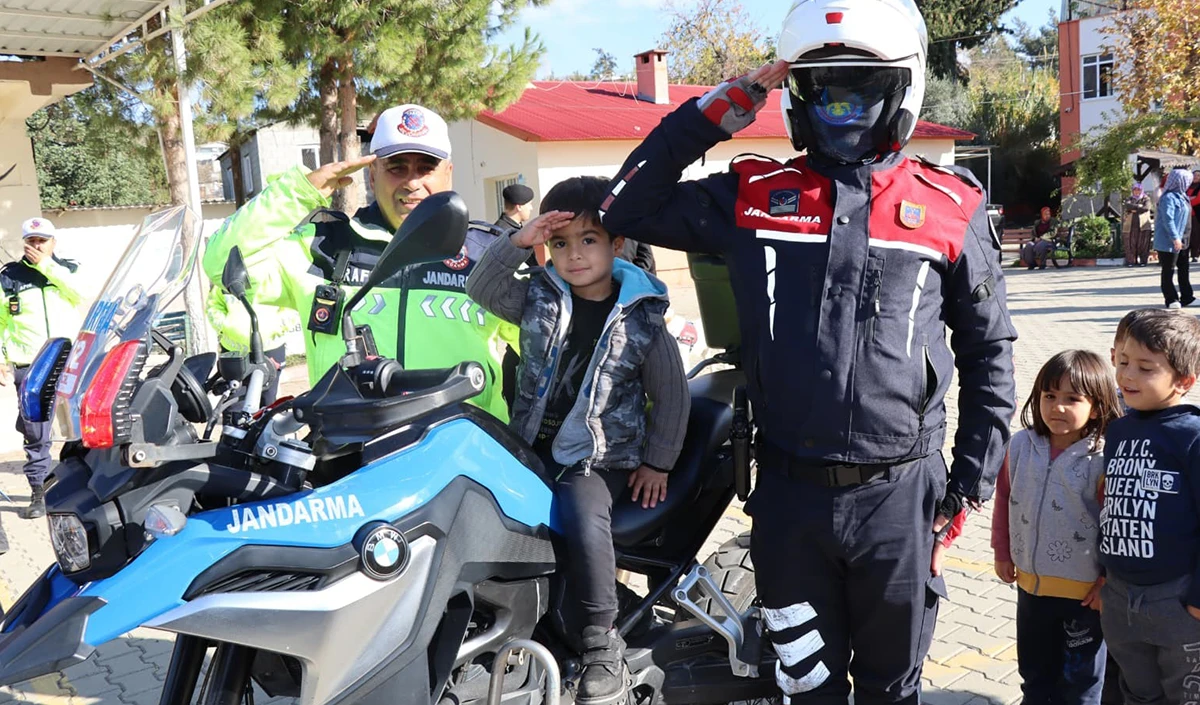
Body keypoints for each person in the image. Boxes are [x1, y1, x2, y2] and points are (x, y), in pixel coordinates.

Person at [598, 0, 1018, 700]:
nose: (841, 110)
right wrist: (725, 105)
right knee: (805, 688)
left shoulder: (951, 206)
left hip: (901, 500)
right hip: (790, 502)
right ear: (797, 97)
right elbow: (625, 208)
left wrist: (969, 485)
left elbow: (990, 354)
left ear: (901, 90)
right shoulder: (756, 195)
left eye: (860, 91)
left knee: (890, 690)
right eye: (823, 91)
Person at [466, 176, 689, 705]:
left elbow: (673, 395)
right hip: (531, 446)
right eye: (560, 243)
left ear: (617, 245)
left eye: (589, 240)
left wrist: (657, 463)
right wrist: (518, 242)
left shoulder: (643, 316)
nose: (573, 255)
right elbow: (479, 287)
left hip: (598, 456)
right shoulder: (539, 294)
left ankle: (599, 642)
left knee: (582, 516)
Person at [201, 104, 516, 420]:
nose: (412, 183)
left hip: (465, 452)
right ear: (373, 173)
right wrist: (299, 192)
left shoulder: (487, 254)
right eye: (397, 167)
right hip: (350, 454)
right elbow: (221, 262)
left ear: (448, 172)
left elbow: (543, 344)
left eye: (426, 167)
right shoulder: (323, 246)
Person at [991, 350, 1120, 705]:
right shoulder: (1020, 446)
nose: (1057, 407)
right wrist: (1003, 552)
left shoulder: (1102, 456)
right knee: (1035, 675)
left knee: (1079, 684)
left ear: (1095, 407)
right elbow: (1004, 499)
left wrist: (1106, 580)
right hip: (1031, 589)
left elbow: (1115, 522)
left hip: (1084, 597)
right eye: (1050, 396)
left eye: (1072, 399)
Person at [1100, 312, 1200, 703]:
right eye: (1123, 362)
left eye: (1145, 368)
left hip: (1176, 601)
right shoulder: (1120, 428)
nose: (1127, 376)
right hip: (1120, 596)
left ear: (1184, 381)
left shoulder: (1190, 437)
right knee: (1137, 690)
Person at [0, 217, 83, 520]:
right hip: (29, 366)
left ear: (53, 243)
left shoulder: (68, 270)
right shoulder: (8, 276)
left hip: (69, 361)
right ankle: (40, 492)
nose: (37, 246)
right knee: (36, 434)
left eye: (42, 240)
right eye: (32, 240)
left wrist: (47, 266)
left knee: (79, 428)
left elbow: (81, 293)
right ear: (24, 242)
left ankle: (81, 485)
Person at [205, 286, 292, 404]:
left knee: (267, 400)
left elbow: (291, 307)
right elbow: (213, 306)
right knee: (233, 401)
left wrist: (275, 327)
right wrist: (226, 326)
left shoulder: (273, 276)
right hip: (234, 351)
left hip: (270, 347)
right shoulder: (223, 280)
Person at [1153, 168, 1193, 309]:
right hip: (1169, 241)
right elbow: (1168, 219)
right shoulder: (1168, 198)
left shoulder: (1182, 196)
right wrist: (1175, 238)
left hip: (1184, 239)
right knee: (1168, 270)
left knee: (1184, 269)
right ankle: (1171, 299)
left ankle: (1187, 297)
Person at [1123, 183, 1153, 267]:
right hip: (1130, 226)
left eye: (1139, 190)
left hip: (1143, 226)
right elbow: (1128, 206)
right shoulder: (1129, 198)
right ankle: (1131, 261)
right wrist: (1139, 207)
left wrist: (1134, 209)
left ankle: (1143, 261)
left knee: (1143, 244)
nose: (1137, 192)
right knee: (1130, 244)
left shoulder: (1146, 198)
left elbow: (1146, 208)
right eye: (1135, 190)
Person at [1187, 169, 1200, 263]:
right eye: (1194, 175)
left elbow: (1197, 200)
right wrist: (1190, 199)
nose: (1196, 177)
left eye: (1198, 175)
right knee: (1187, 235)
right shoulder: (1186, 187)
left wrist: (1187, 200)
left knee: (1196, 235)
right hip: (1186, 215)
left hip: (1196, 215)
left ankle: (1195, 255)